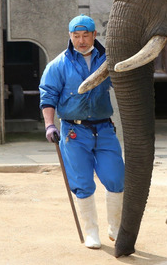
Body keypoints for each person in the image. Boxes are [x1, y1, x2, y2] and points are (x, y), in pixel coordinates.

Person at [39, 14, 125, 250]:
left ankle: (115, 229)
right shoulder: (58, 65)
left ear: (95, 35)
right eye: (76, 36)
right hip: (73, 132)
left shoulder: (108, 60)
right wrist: (49, 124)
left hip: (105, 128)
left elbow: (124, 85)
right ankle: (91, 233)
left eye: (85, 35)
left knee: (116, 178)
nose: (81, 41)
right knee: (82, 182)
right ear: (70, 37)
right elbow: (48, 97)